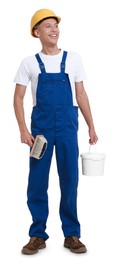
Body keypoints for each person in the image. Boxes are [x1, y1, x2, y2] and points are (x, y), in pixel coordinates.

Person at [13, 8, 98, 255]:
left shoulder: (73, 59)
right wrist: (22, 130)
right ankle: (37, 234)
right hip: (41, 132)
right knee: (37, 182)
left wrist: (92, 125)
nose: (54, 29)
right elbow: (17, 99)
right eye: (48, 26)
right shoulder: (28, 63)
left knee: (70, 180)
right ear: (36, 32)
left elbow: (80, 94)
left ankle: (72, 234)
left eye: (55, 25)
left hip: (68, 129)